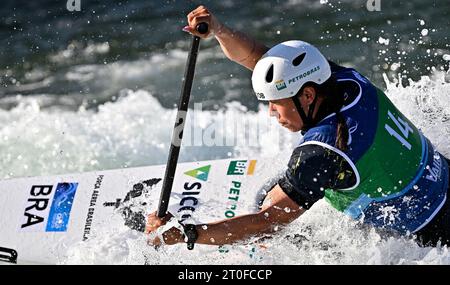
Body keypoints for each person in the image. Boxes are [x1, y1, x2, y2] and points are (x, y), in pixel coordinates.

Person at [146, 5, 450, 248]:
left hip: (432, 237)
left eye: (275, 103)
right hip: (443, 178)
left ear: (306, 95)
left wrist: (185, 234)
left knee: (270, 224)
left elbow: (267, 221)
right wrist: (220, 31)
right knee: (272, 190)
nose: (271, 113)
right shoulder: (342, 80)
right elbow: (257, 58)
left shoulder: (322, 152)